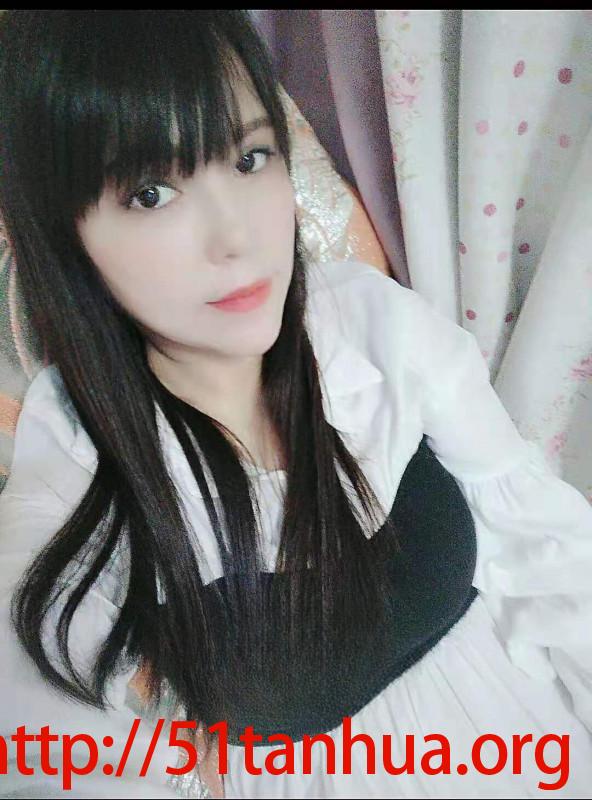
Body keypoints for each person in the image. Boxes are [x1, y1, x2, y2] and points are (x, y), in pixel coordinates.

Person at [0, 10, 591, 799]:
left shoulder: (371, 325)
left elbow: (545, 550)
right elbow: (38, 725)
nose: (237, 237)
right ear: (64, 233)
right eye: (150, 192)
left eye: (250, 158)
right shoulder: (75, 448)